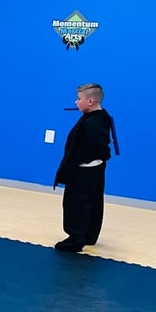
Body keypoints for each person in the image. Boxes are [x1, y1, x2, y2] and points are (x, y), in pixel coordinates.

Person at [53, 83, 115, 252]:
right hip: (95, 170)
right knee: (92, 203)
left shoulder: (93, 123)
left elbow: (96, 148)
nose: (76, 102)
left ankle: (76, 239)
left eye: (79, 98)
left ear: (90, 101)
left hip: (84, 172)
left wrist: (72, 167)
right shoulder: (101, 117)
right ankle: (89, 235)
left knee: (77, 205)